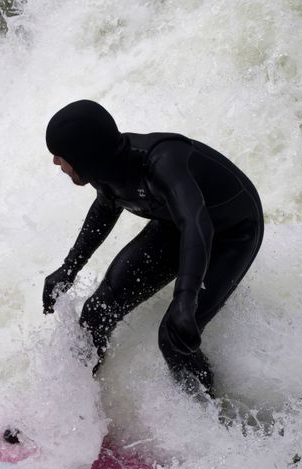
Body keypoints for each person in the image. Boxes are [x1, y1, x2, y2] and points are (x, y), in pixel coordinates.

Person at [42, 100, 264, 395]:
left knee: (173, 337)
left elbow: (197, 225)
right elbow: (105, 208)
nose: (57, 162)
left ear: (85, 155)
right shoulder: (104, 170)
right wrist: (69, 268)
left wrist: (186, 297)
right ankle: (71, 399)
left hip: (232, 233)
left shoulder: (163, 162)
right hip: (176, 225)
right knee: (98, 311)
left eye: (60, 155)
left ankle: (211, 417)